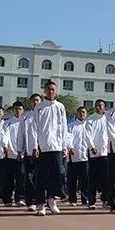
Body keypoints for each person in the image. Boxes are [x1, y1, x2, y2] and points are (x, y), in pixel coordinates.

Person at [29, 81, 68, 217]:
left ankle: (52, 199)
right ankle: (40, 204)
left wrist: (64, 145)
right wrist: (35, 146)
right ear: (44, 91)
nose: (51, 92)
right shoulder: (39, 107)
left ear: (56, 91)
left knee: (58, 174)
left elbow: (63, 127)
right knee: (41, 176)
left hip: (56, 147)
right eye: (48, 89)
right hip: (42, 147)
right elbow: (34, 128)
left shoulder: (60, 107)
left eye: (53, 89)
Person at [85, 100, 110, 210]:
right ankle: (92, 201)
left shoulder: (108, 119)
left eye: (101, 106)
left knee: (105, 178)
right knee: (92, 179)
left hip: (105, 153)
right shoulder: (90, 119)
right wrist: (92, 147)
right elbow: (88, 135)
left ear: (104, 107)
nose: (99, 107)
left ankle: (105, 200)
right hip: (93, 153)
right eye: (97, 106)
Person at [2, 101, 26, 208]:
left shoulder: (26, 122)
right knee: (8, 178)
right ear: (13, 110)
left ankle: (19, 197)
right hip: (9, 154)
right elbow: (4, 135)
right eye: (16, 109)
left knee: (21, 177)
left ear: (23, 110)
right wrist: (5, 145)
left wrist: (23, 151)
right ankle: (7, 199)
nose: (18, 111)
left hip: (21, 155)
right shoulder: (7, 122)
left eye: (20, 109)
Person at [66, 107, 91, 206]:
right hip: (73, 157)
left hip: (85, 157)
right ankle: (72, 200)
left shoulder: (89, 125)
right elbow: (68, 138)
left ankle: (85, 199)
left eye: (84, 112)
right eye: (80, 112)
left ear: (86, 114)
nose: (82, 114)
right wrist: (70, 146)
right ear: (77, 113)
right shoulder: (71, 126)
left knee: (84, 180)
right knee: (72, 180)